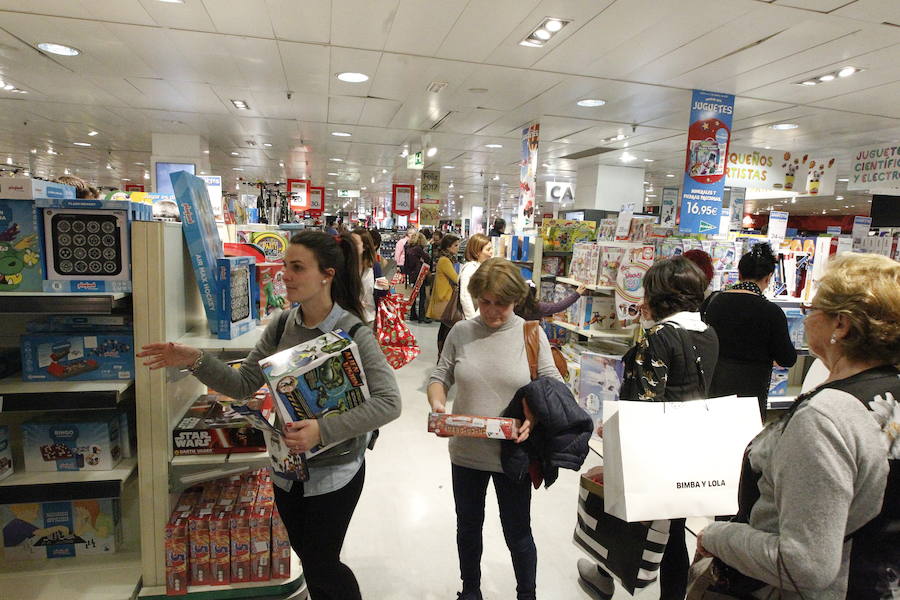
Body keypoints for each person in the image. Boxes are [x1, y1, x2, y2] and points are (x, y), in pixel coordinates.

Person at [137, 231, 402, 600]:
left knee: (323, 562)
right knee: (309, 557)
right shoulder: (282, 324)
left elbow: (390, 402)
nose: (285, 275)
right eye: (285, 266)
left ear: (326, 274)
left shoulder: (353, 331)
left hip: (335, 473)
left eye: (297, 268)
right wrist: (195, 360)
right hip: (286, 470)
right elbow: (243, 382)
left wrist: (322, 431)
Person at [696, 253, 900, 600]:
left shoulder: (826, 418)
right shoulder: (887, 397)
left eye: (813, 309)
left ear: (842, 325)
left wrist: (716, 537)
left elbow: (804, 564)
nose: (805, 319)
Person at [578, 256, 718, 600]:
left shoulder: (659, 337)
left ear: (660, 296)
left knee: (625, 516)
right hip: (689, 447)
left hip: (654, 450)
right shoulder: (709, 333)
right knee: (672, 531)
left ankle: (604, 575)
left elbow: (643, 404)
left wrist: (614, 437)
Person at [429, 257, 562, 600]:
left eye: (501, 303)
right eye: (484, 302)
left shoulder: (531, 334)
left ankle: (526, 594)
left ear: (516, 298)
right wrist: (438, 404)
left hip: (513, 453)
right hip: (466, 452)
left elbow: (553, 387)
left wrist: (533, 419)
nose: (491, 311)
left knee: (518, 530)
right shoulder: (461, 332)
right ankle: (470, 590)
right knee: (468, 527)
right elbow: (439, 375)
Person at [701, 243, 797, 420]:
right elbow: (787, 358)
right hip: (752, 389)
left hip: (714, 383)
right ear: (768, 278)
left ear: (739, 274)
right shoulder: (771, 312)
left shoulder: (713, 302)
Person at [426, 234, 460, 355]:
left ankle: (441, 355)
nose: (458, 248)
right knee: (446, 328)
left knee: (444, 328)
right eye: (455, 245)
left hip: (444, 297)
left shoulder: (445, 259)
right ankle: (442, 355)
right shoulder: (445, 261)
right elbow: (456, 279)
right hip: (445, 298)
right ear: (448, 247)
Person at [458, 234, 492, 320]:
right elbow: (465, 296)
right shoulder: (470, 268)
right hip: (473, 317)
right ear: (477, 252)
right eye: (488, 249)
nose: (491, 252)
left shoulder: (481, 267)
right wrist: (471, 319)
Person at [515, 282, 586, 321]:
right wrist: (577, 293)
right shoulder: (539, 307)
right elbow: (560, 306)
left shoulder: (513, 307)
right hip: (533, 339)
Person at [351, 228, 378, 326]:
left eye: (355, 243)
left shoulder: (374, 266)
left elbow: (379, 293)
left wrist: (385, 287)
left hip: (368, 317)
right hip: (347, 318)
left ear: (365, 247)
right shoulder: (343, 265)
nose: (351, 246)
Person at [404, 233, 432, 323]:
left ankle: (413, 315)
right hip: (420, 273)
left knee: (414, 295)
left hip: (412, 274)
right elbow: (427, 258)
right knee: (422, 295)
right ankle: (421, 316)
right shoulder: (418, 249)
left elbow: (406, 262)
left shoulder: (408, 247)